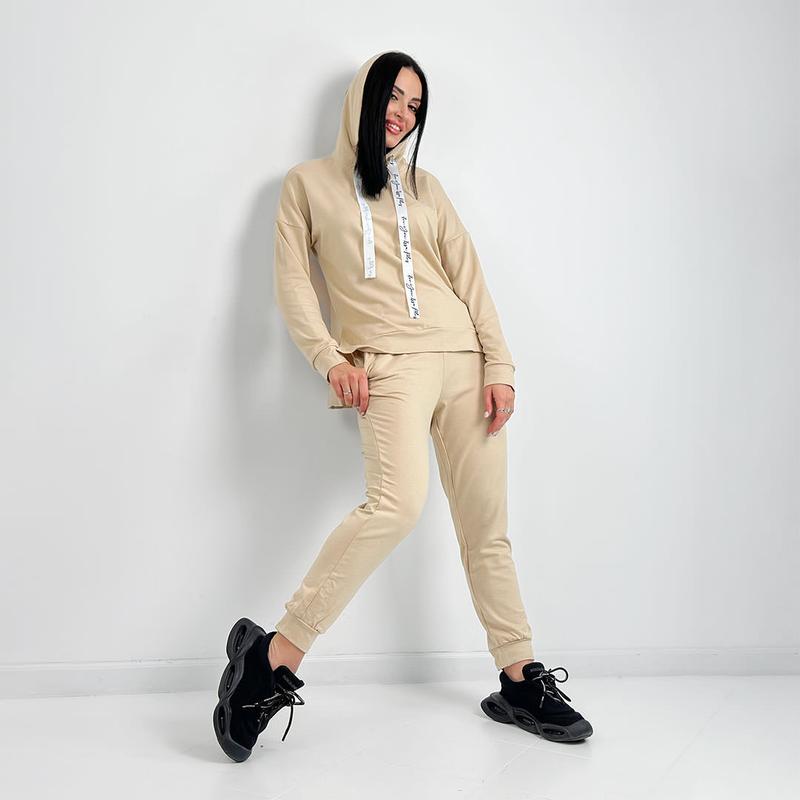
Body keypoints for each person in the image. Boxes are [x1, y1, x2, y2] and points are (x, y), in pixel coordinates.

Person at [213, 50, 593, 763]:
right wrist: (329, 358)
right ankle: (271, 659)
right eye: (393, 95)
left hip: (466, 363)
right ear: (363, 94)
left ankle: (518, 679)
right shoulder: (306, 185)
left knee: (487, 528)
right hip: (388, 365)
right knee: (395, 506)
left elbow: (470, 279)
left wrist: (500, 365)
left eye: (415, 106)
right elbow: (293, 285)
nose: (402, 114)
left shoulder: (425, 188)